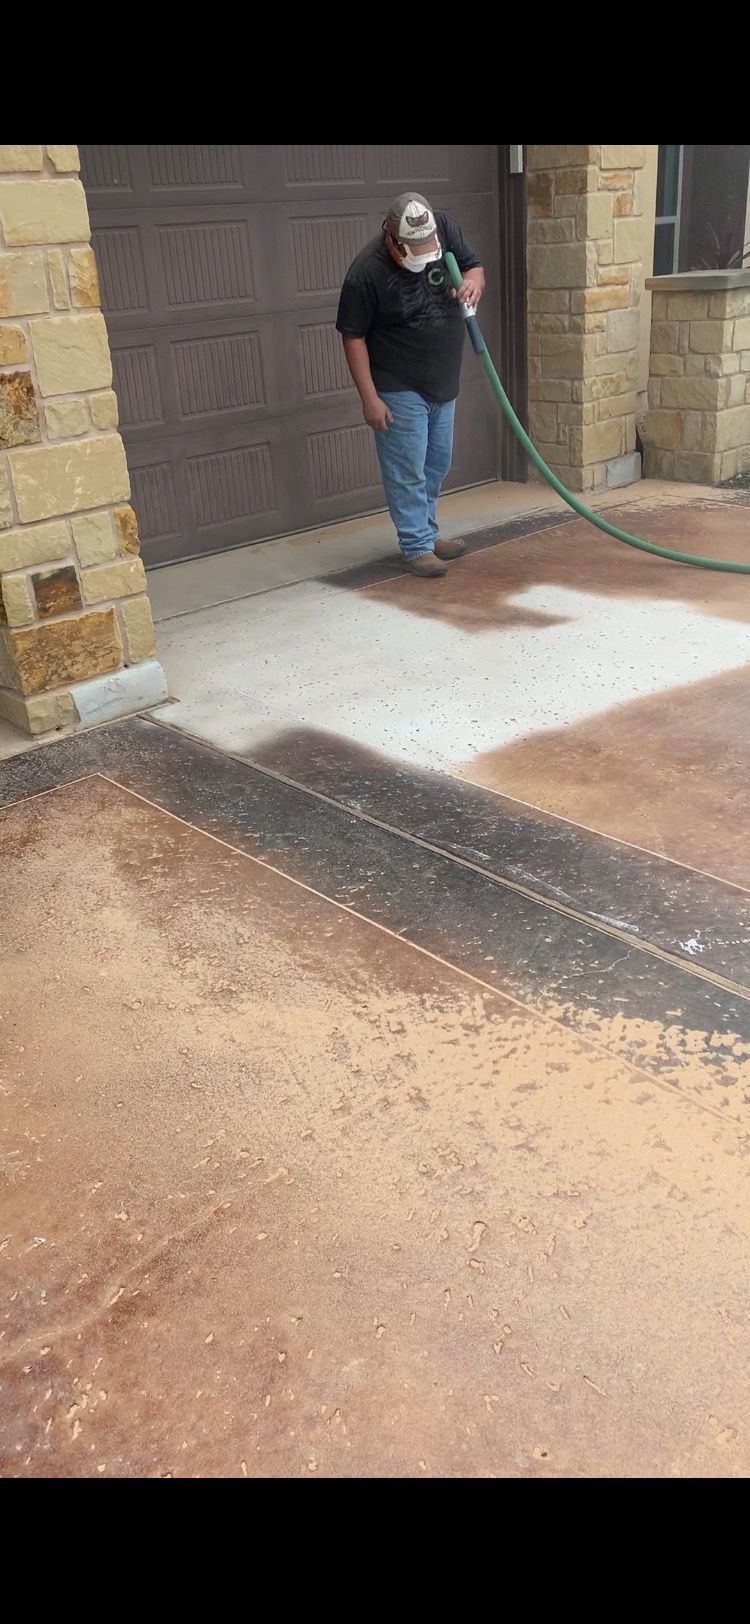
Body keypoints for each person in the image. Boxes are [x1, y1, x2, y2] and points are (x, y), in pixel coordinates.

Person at [336, 193, 485, 578]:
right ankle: (416, 544)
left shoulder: (443, 227)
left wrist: (472, 284)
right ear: (394, 241)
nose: (425, 252)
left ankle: (428, 532)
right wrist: (369, 398)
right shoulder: (366, 273)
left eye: (428, 245)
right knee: (407, 468)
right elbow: (352, 337)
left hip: (443, 378)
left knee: (436, 462)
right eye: (415, 249)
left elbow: (474, 267)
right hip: (397, 382)